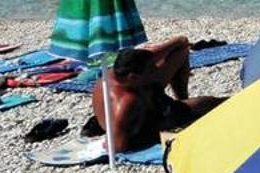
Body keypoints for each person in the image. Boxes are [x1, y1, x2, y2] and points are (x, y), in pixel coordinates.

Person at [82, 39, 223, 154]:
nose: (155, 69)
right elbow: (117, 146)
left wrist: (179, 40)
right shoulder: (126, 102)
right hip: (142, 123)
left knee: (180, 52)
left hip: (135, 99)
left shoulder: (114, 72)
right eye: (151, 68)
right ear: (134, 76)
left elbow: (153, 54)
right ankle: (225, 102)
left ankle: (181, 99)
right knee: (207, 104)